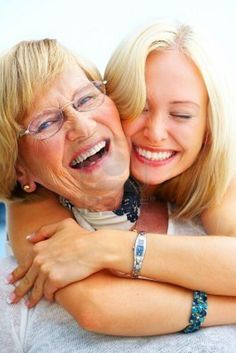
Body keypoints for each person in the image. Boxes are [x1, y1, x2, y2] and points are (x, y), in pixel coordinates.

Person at [0, 21, 236, 341]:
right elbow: (95, 305)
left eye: (181, 115)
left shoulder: (218, 184)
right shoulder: (36, 213)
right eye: (139, 105)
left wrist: (107, 247)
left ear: (210, 129)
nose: (155, 132)